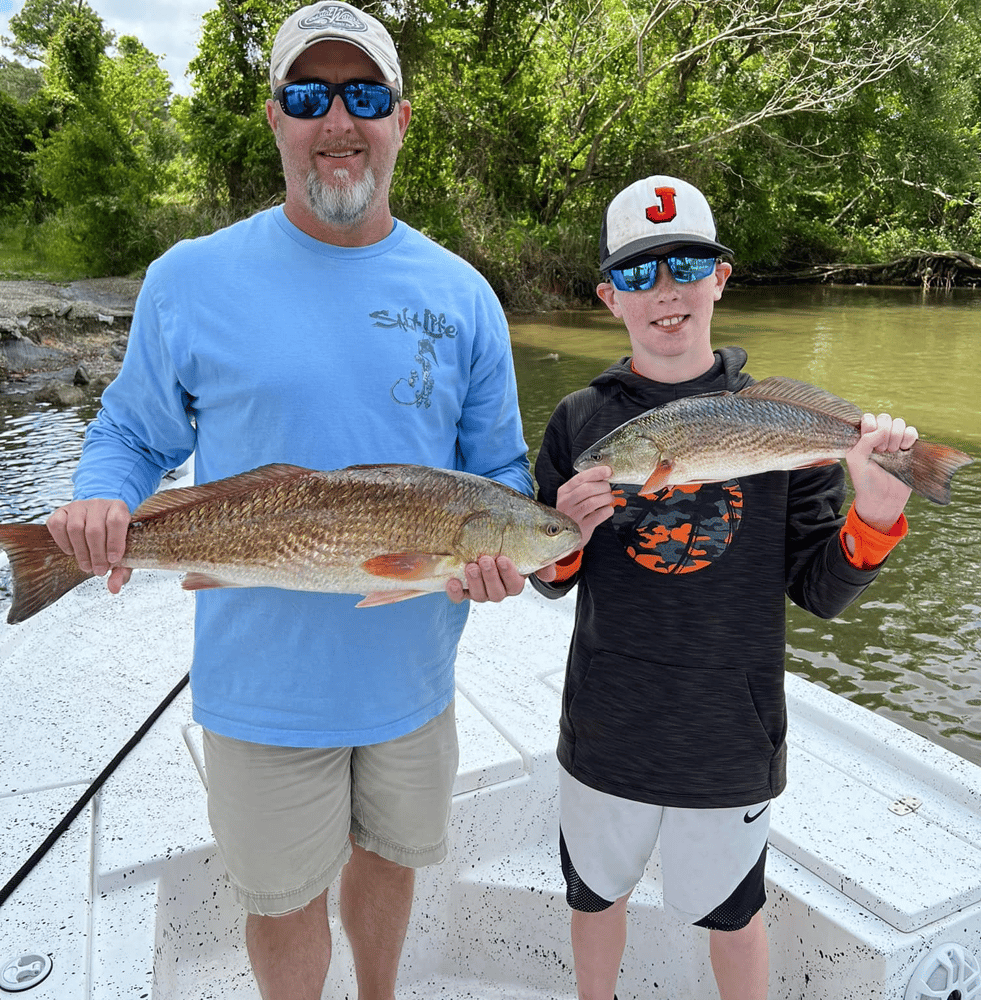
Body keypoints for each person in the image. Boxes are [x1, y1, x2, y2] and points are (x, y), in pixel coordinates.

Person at [44, 4, 554, 999]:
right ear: (275, 116)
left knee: (392, 860)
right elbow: (132, 436)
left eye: (363, 95)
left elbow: (497, 474)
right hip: (261, 684)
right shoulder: (189, 278)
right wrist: (101, 500)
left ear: (400, 118)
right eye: (309, 95)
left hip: (413, 678)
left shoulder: (463, 295)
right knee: (281, 900)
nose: (338, 119)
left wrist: (505, 559)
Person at [531, 175, 916, 1000]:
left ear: (721, 279)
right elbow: (550, 579)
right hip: (608, 727)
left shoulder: (786, 426)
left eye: (686, 266)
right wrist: (564, 535)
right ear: (609, 297)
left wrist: (876, 517)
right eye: (639, 273)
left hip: (730, 737)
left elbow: (819, 591)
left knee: (735, 917)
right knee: (593, 898)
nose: (665, 291)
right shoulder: (578, 421)